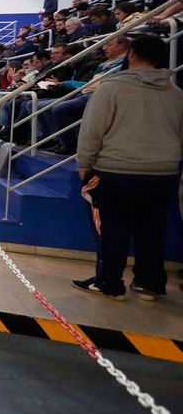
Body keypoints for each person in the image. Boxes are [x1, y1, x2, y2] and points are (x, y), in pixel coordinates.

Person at [73, 36, 183, 300]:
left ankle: (109, 282)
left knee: (112, 229)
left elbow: (92, 130)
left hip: (116, 172)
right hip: (163, 174)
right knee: (152, 229)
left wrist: (84, 163)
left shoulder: (111, 88)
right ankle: (150, 284)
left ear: (130, 54)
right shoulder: (176, 93)